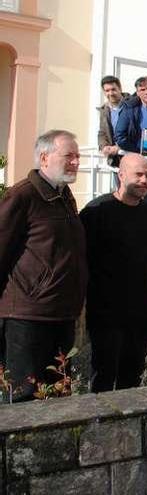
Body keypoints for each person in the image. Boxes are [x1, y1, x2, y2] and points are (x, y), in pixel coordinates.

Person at [0, 130, 86, 401]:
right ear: (44, 157)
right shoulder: (22, 196)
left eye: (77, 156)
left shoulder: (64, 195)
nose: (75, 162)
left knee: (58, 395)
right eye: (68, 156)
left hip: (60, 314)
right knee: (24, 397)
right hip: (26, 317)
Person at [80, 153, 147, 392]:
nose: (145, 180)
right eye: (139, 174)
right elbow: (81, 261)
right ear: (121, 175)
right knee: (102, 378)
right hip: (106, 314)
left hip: (140, 314)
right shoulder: (96, 212)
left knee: (132, 379)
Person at [97, 75, 128, 168]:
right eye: (107, 90)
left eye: (113, 89)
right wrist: (103, 146)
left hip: (131, 155)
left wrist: (120, 146)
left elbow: (136, 131)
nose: (110, 93)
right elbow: (102, 132)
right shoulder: (104, 110)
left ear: (120, 88)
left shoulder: (132, 105)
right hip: (114, 159)